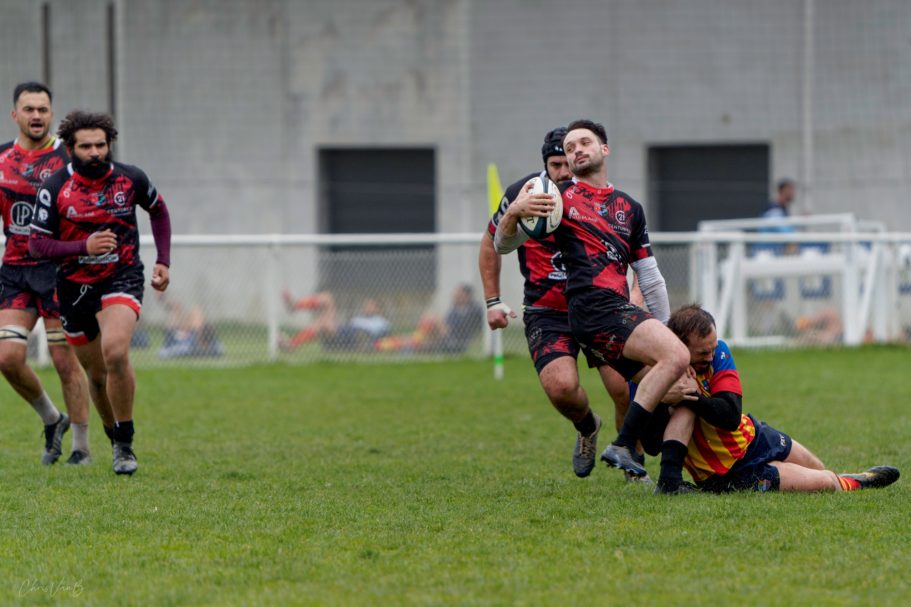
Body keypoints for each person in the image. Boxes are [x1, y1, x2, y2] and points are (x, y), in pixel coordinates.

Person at [492, 123, 684, 480]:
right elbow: (501, 245)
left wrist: (665, 327)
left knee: (677, 388)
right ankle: (612, 439)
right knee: (565, 386)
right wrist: (515, 212)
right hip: (588, 312)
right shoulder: (557, 198)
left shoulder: (630, 206)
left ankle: (656, 462)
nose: (576, 150)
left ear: (604, 149)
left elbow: (651, 276)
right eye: (570, 147)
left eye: (584, 143)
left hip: (615, 309)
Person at [29, 110, 172, 475]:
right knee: (95, 375)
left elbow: (159, 211)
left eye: (101, 145)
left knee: (116, 352)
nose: (95, 152)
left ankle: (125, 444)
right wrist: (83, 247)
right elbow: (37, 246)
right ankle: (114, 436)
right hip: (74, 288)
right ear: (71, 148)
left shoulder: (130, 178)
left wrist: (163, 260)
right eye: (86, 146)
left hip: (121, 277)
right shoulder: (54, 187)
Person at [641, 304, 900, 493]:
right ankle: (858, 482)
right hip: (729, 473)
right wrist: (667, 399)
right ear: (679, 347)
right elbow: (651, 444)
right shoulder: (658, 373)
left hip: (753, 436)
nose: (710, 357)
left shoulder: (718, 352)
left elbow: (730, 416)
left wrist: (692, 396)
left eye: (712, 347)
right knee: (825, 484)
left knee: (820, 468)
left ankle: (845, 478)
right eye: (702, 352)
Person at [0, 81, 93, 465]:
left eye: (42, 109)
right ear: (15, 115)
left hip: (58, 270)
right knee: (6, 357)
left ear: (51, 114)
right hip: (16, 271)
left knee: (63, 361)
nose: (36, 115)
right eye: (29, 109)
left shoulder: (68, 158)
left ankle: (81, 448)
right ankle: (53, 420)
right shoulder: (2, 159)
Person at [375, 283, 484, 354]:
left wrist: (440, 325)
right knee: (417, 336)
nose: (454, 296)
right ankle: (384, 344)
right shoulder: (454, 309)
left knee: (431, 318)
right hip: (442, 336)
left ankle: (408, 342)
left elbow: (465, 327)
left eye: (458, 294)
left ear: (466, 295)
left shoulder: (473, 309)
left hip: (455, 340)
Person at [281, 291, 390, 352]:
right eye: (367, 304)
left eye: (371, 305)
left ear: (378, 309)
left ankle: (292, 343)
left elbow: (383, 340)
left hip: (353, 339)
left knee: (322, 321)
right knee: (327, 299)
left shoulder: (381, 322)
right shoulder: (359, 318)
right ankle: (295, 306)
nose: (367, 307)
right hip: (340, 333)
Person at [158, 301, 223, 359]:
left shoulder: (186, 347)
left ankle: (176, 310)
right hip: (189, 336)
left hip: (177, 337)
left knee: (189, 313)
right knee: (196, 310)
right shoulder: (215, 346)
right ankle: (178, 313)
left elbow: (163, 352)